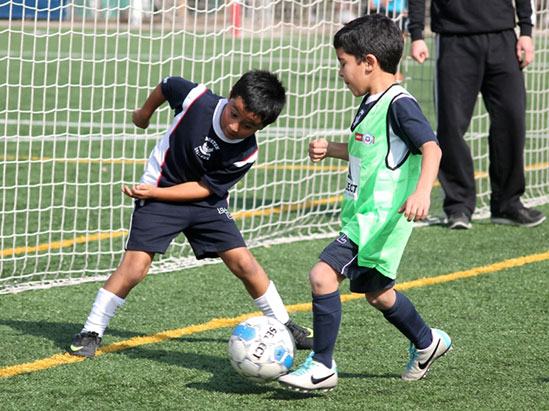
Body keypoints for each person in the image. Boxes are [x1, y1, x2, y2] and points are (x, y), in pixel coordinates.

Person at [67, 70, 313, 358]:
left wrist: (153, 194)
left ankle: (283, 324)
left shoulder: (246, 153)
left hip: (202, 200)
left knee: (244, 264)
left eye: (247, 126)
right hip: (161, 187)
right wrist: (144, 114)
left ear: (261, 127)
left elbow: (203, 189)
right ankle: (91, 330)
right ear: (231, 93)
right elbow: (168, 85)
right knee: (134, 269)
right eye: (234, 114)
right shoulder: (197, 99)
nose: (235, 127)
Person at [278, 14, 451, 392]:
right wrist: (333, 149)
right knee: (378, 294)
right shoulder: (372, 100)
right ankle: (427, 341)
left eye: (344, 63)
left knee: (322, 277)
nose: (340, 71)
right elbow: (370, 151)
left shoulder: (399, 104)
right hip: (365, 215)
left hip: (379, 219)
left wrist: (422, 192)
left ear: (368, 62)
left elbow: (431, 148)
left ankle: (322, 366)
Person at [407, 0, 546, 229]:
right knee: (451, 126)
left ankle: (507, 204)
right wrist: (417, 33)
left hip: (503, 36)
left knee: (512, 119)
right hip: (454, 38)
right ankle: (458, 206)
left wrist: (526, 30)